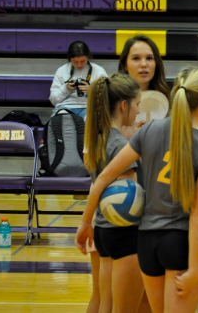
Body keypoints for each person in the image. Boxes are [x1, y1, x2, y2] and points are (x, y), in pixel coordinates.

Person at [76, 66, 198, 313]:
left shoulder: (148, 131)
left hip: (147, 244)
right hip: (180, 243)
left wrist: (86, 222)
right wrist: (196, 268)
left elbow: (102, 178)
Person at [78, 72, 145, 313]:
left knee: (104, 304)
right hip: (124, 235)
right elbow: (129, 201)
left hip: (104, 233)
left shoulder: (100, 137)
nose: (138, 110)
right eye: (137, 104)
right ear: (124, 105)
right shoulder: (119, 145)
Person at [49, 41, 108, 118]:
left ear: (88, 57)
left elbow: (107, 98)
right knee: (64, 121)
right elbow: (53, 100)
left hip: (89, 107)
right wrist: (65, 88)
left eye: (82, 61)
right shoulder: (61, 70)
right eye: (75, 61)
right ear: (70, 59)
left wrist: (92, 90)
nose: (79, 65)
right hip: (65, 107)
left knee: (91, 120)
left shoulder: (98, 71)